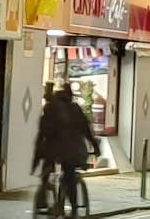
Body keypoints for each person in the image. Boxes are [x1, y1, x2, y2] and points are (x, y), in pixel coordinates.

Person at [34, 87, 100, 217]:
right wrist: (95, 147)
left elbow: (41, 136)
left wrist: (36, 159)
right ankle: (74, 209)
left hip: (54, 150)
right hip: (75, 151)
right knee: (69, 172)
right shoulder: (75, 109)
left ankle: (45, 201)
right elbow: (86, 130)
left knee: (47, 169)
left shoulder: (50, 110)